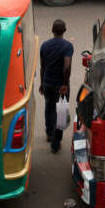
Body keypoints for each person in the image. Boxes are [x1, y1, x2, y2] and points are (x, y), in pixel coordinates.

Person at [39, 19, 73, 153]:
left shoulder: (44, 45)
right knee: (61, 112)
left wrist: (42, 83)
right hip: (61, 85)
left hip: (47, 82)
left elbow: (42, 66)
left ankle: (48, 133)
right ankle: (55, 143)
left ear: (52, 30)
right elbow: (67, 66)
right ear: (64, 30)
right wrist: (65, 84)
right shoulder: (67, 46)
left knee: (49, 107)